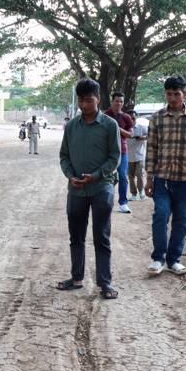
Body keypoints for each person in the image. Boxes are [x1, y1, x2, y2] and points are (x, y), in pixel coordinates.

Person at [58, 79, 121, 299]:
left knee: (101, 236)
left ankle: (105, 283)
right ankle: (76, 278)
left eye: (88, 100)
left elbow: (115, 157)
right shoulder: (71, 127)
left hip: (102, 187)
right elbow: (64, 156)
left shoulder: (110, 125)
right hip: (76, 189)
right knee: (76, 236)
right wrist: (70, 176)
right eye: (81, 101)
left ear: (98, 99)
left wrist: (95, 175)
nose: (84, 105)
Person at [144, 76, 186, 276]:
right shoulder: (157, 118)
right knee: (161, 215)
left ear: (184, 94)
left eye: (176, 94)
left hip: (185, 179)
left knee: (182, 220)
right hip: (162, 178)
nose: (172, 98)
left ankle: (174, 260)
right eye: (169, 94)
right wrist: (149, 178)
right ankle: (158, 258)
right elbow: (151, 149)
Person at [103, 92, 135, 214]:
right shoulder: (105, 116)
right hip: (107, 152)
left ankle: (123, 203)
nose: (119, 103)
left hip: (122, 151)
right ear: (112, 101)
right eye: (117, 101)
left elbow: (131, 135)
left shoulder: (126, 117)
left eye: (121, 101)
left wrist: (118, 128)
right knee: (105, 176)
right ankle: (104, 201)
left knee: (123, 177)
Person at [129, 111, 149, 201]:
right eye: (130, 118)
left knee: (139, 174)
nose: (131, 120)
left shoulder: (141, 127)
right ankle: (133, 194)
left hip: (140, 155)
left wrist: (142, 138)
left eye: (133, 118)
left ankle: (141, 192)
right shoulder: (125, 127)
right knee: (131, 176)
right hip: (128, 156)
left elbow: (150, 135)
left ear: (136, 118)